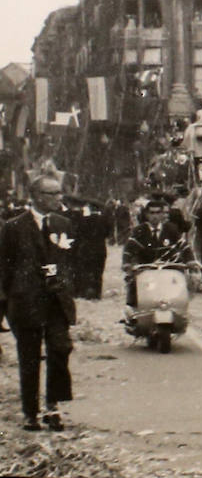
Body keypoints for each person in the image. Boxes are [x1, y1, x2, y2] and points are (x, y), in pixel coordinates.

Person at [0, 175, 77, 431]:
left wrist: (64, 283)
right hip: (26, 302)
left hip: (56, 302)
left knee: (60, 349)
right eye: (52, 193)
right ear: (36, 196)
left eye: (59, 193)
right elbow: (4, 268)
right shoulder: (13, 227)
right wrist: (4, 304)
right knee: (29, 358)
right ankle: (30, 412)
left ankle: (53, 406)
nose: (59, 198)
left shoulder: (64, 224)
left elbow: (69, 261)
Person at [122, 197, 189, 307]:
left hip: (168, 268)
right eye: (151, 213)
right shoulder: (139, 230)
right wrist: (127, 263)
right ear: (146, 215)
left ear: (163, 214)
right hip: (145, 267)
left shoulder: (171, 229)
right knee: (134, 283)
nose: (155, 216)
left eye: (158, 212)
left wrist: (190, 261)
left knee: (179, 284)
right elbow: (129, 249)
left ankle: (179, 310)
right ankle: (133, 312)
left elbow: (183, 245)